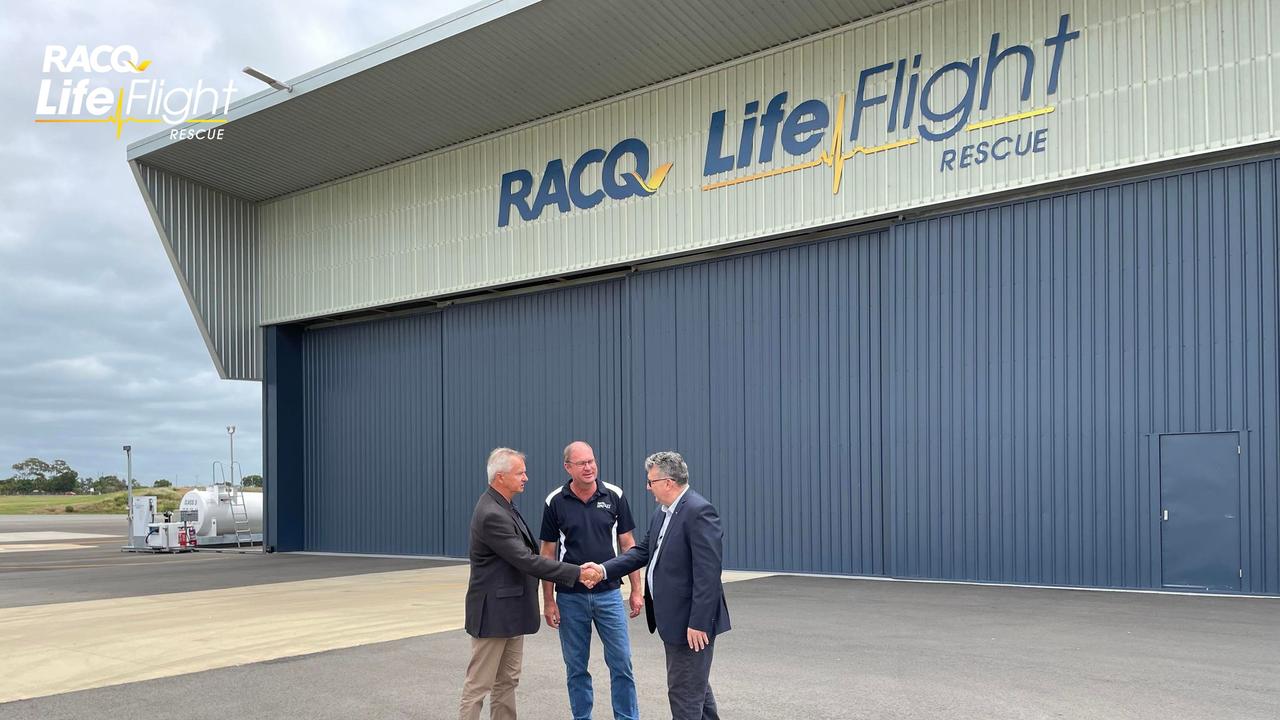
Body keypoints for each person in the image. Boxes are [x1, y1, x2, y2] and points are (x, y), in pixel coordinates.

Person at [586, 451, 731, 720]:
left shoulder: (698, 512)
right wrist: (604, 569)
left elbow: (708, 574)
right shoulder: (663, 512)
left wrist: (698, 622)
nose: (647, 486)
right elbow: (642, 552)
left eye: (650, 481)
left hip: (690, 623)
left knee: (684, 694)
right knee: (695, 688)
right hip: (673, 620)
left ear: (668, 482)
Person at [461, 447, 603, 720]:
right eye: (520, 473)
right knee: (478, 686)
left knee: (507, 682)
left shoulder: (504, 506)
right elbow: (526, 560)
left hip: (511, 611)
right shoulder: (492, 513)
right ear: (500, 477)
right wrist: (577, 572)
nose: (526, 477)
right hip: (494, 615)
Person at [539, 441, 643, 720]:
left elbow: (628, 545)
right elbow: (547, 554)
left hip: (609, 595)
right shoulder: (555, 501)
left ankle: (627, 717)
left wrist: (636, 590)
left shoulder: (614, 495)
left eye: (592, 461)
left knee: (621, 663)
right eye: (582, 463)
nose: (589, 467)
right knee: (576, 667)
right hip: (570, 598)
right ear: (568, 467)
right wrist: (548, 601)